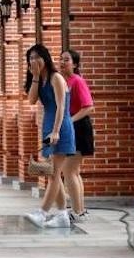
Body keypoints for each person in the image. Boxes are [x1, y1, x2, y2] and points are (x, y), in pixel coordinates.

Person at [23, 44, 79, 228]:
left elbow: (62, 107)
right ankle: (62, 215)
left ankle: (43, 212)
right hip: (47, 126)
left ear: (45, 58)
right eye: (30, 58)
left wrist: (55, 130)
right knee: (51, 174)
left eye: (37, 57)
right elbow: (31, 100)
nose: (34, 61)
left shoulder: (56, 78)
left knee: (54, 173)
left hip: (60, 127)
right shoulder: (40, 80)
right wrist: (36, 77)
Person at [56, 49, 93, 221]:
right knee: (74, 172)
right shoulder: (63, 81)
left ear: (75, 64)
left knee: (68, 170)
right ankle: (80, 210)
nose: (62, 63)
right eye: (61, 59)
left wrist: (69, 120)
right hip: (70, 128)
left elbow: (88, 107)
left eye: (67, 60)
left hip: (79, 128)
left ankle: (77, 212)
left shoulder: (77, 81)